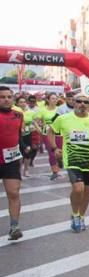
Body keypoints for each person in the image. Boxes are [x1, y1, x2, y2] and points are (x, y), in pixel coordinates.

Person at [47, 95, 89, 232]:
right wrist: (54, 148)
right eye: (79, 101)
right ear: (73, 103)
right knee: (78, 189)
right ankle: (75, 214)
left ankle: (81, 216)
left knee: (86, 192)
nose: (82, 104)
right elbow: (51, 131)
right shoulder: (63, 119)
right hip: (71, 160)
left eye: (85, 102)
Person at [0, 86, 25, 240]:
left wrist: (24, 148)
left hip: (11, 159)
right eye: (2, 97)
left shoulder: (18, 114)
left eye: (9, 96)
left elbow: (18, 135)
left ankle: (14, 226)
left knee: (14, 193)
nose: (6, 99)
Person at [38, 92, 62, 180]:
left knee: (59, 152)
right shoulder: (43, 110)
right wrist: (39, 129)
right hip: (47, 134)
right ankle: (54, 171)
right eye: (53, 98)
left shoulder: (60, 109)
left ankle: (59, 163)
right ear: (48, 100)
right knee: (51, 153)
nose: (55, 100)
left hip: (59, 133)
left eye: (56, 98)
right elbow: (36, 121)